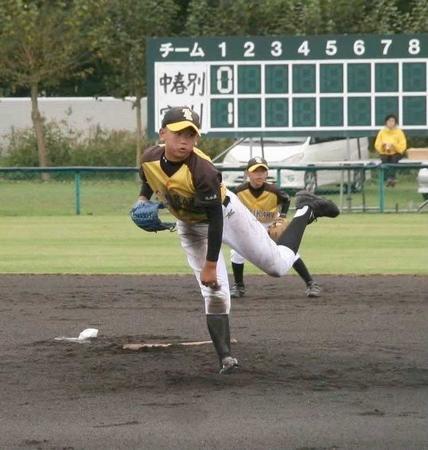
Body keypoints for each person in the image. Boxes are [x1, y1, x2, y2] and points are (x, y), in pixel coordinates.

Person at [135, 106, 339, 375]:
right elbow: (149, 179)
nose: (184, 140)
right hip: (191, 227)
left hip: (226, 215)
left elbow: (215, 220)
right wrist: (142, 200)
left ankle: (306, 210)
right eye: (178, 133)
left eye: (191, 134)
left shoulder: (202, 170)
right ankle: (226, 359)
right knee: (215, 293)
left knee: (277, 267)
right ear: (163, 133)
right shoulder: (148, 158)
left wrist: (211, 265)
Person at [230, 156, 321, 299]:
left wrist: (282, 217)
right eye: (255, 171)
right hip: (249, 225)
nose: (259, 175)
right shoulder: (239, 191)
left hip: (270, 224)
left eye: (262, 171)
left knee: (289, 252)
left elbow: (286, 200)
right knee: (237, 252)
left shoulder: (274, 191)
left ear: (267, 173)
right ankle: (238, 286)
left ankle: (311, 283)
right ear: (248, 173)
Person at [374, 114, 407, 187]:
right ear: (386, 122)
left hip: (397, 152)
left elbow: (403, 145)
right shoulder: (382, 132)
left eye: (392, 121)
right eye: (389, 121)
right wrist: (383, 146)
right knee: (384, 159)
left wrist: (394, 146)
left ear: (395, 123)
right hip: (385, 152)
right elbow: (377, 144)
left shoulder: (399, 132)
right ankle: (389, 178)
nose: (391, 123)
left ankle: (391, 178)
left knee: (394, 159)